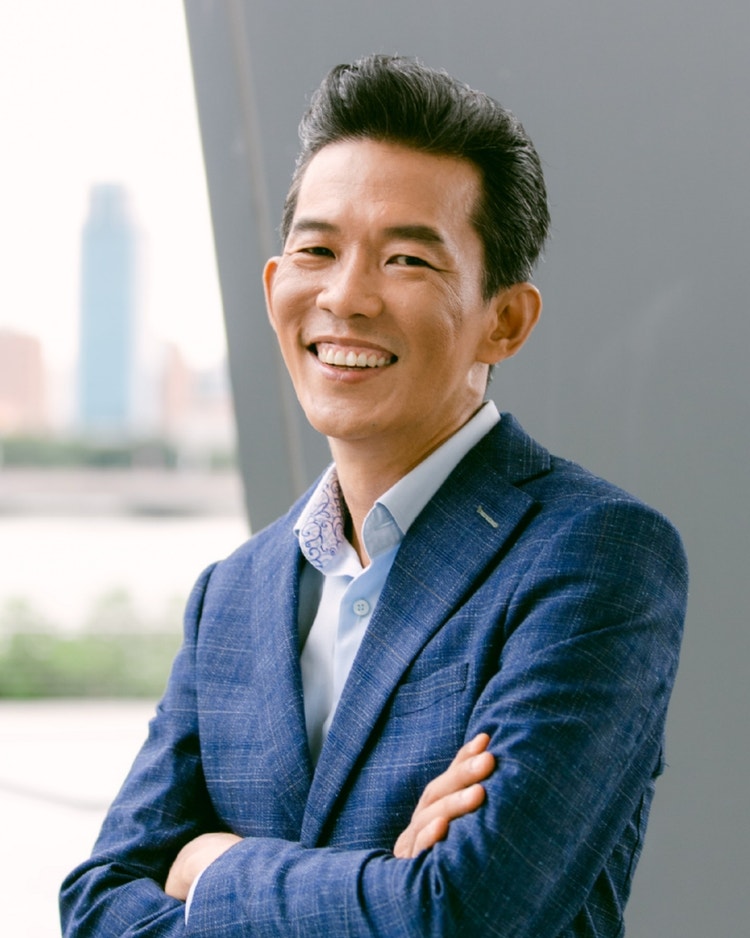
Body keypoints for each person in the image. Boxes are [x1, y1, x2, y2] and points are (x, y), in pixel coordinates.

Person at [60, 54, 687, 937]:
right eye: (317, 251)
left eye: (405, 260)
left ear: (504, 320)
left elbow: (461, 914)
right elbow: (95, 905)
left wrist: (214, 867)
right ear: (275, 287)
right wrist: (382, 884)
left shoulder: (596, 556)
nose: (346, 297)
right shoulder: (231, 594)